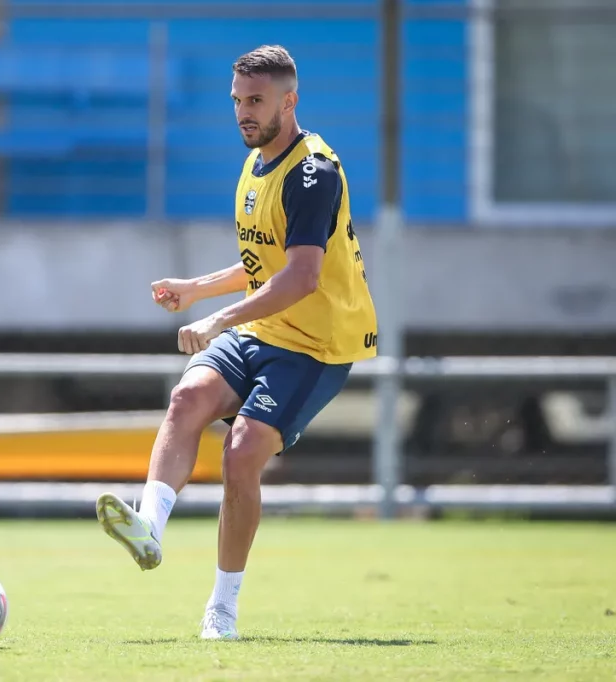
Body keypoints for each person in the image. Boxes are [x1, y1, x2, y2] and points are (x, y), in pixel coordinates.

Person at [95, 44, 378, 640]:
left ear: (289, 100)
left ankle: (221, 610)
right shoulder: (256, 162)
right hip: (264, 328)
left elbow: (300, 277)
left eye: (256, 101)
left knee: (241, 452)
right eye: (237, 102)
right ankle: (148, 527)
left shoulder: (312, 173)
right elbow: (262, 262)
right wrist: (195, 289)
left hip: (317, 345)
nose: (244, 113)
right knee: (186, 400)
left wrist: (218, 320)